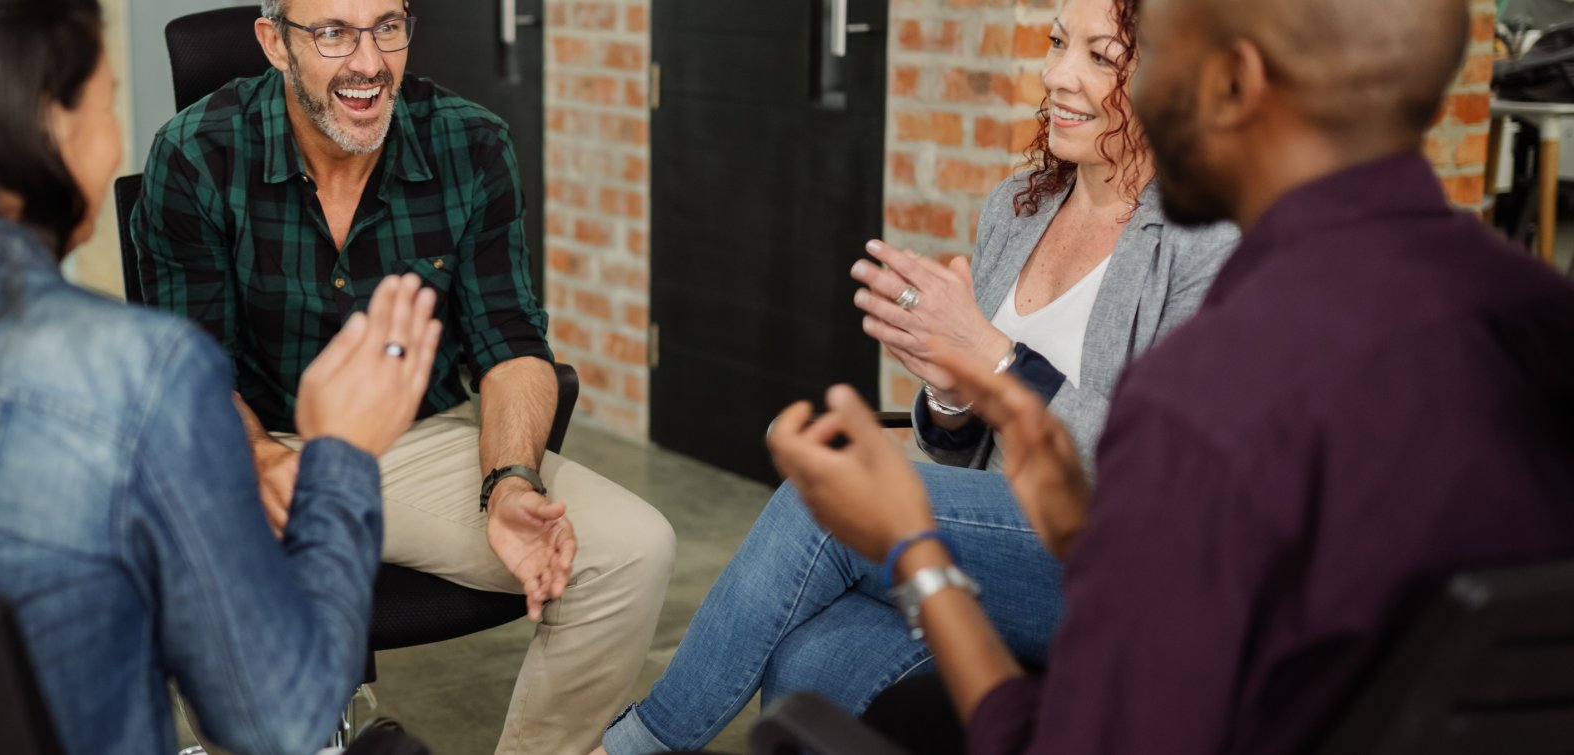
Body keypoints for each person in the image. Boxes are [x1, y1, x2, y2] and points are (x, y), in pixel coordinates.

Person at [776, 0, 1574, 751]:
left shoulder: (1207, 398)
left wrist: (917, 551)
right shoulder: (1543, 318)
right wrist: (1089, 535)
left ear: (1235, 84)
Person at [0, 0, 444, 751]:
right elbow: (278, 719)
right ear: (47, 130)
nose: (114, 146)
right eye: (106, 107)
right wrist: (342, 456)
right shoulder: (143, 379)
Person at [597, 0, 1236, 750]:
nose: (1058, 74)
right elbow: (960, 454)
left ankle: (633, 746)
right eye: (1060, 42)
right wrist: (952, 390)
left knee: (825, 494)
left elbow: (1151, 468)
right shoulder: (1016, 209)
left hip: (1120, 562)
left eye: (1102, 56)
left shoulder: (1210, 241)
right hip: (1001, 543)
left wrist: (999, 362)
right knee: (809, 664)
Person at [133, 1, 675, 751]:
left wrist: (511, 479)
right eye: (332, 33)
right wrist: (258, 462)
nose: (367, 62)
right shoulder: (195, 153)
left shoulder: (470, 141)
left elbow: (511, 342)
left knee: (633, 547)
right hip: (254, 444)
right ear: (275, 44)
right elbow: (191, 373)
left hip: (406, 441)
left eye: (386, 26)